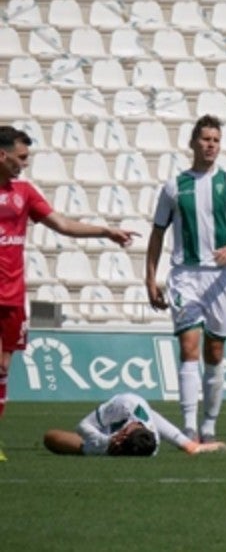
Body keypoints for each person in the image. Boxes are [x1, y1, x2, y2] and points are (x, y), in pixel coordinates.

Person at [0, 125, 138, 462]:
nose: (24, 163)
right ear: (1, 155)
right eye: (20, 157)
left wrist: (104, 231)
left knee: (3, 367)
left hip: (13, 296)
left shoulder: (25, 193)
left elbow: (62, 225)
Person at [145, 115, 226, 444]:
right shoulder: (174, 187)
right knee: (188, 347)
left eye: (215, 140)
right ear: (193, 143)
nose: (210, 145)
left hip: (220, 278)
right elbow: (157, 234)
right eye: (205, 139)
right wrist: (150, 278)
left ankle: (210, 422)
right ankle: (189, 425)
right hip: (184, 275)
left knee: (215, 352)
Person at [43, 391, 226, 457]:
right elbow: (151, 416)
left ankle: (189, 445)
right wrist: (190, 446)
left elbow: (82, 428)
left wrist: (104, 441)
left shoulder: (106, 447)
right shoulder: (128, 404)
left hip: (102, 442)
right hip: (114, 419)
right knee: (144, 409)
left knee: (50, 438)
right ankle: (189, 445)